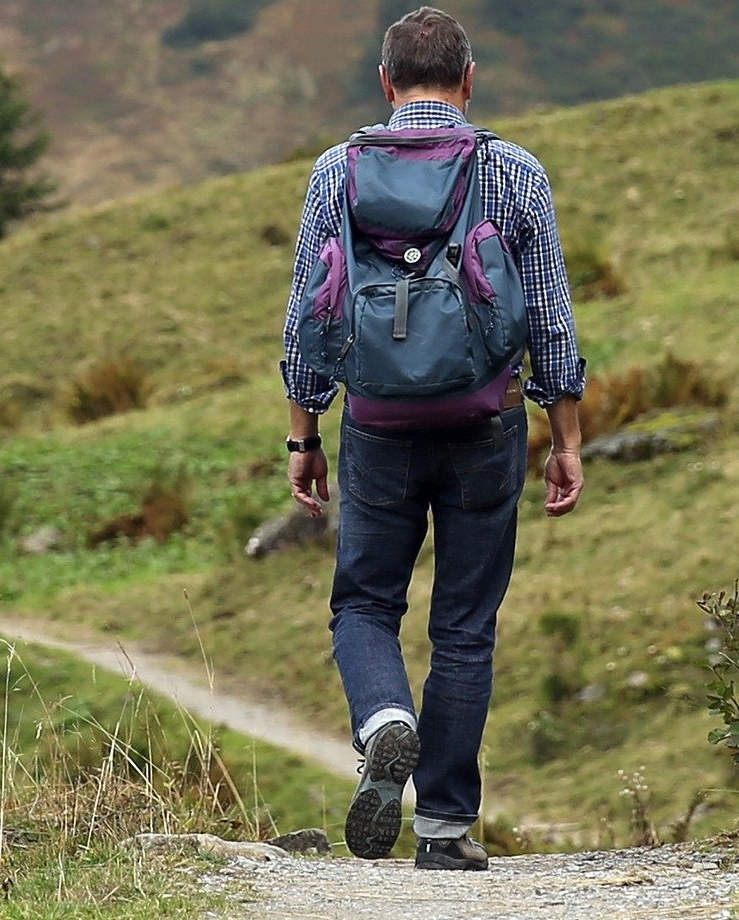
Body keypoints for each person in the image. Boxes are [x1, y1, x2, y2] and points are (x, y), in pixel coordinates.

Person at [278, 6, 586, 872]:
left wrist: (303, 433)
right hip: (486, 422)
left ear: (385, 83)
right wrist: (565, 437)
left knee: (364, 603)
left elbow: (309, 310)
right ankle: (445, 829)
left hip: (375, 424)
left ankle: (385, 720)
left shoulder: (337, 171)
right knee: (465, 626)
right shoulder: (513, 171)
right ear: (468, 78)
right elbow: (553, 320)